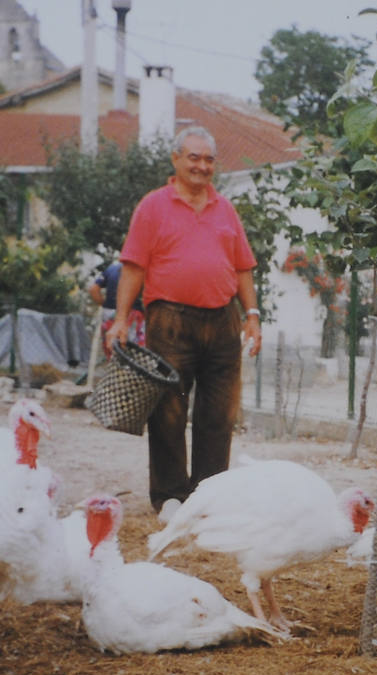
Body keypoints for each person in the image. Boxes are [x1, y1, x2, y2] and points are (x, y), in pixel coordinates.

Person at [105, 125, 262, 514]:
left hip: (223, 321)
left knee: (219, 413)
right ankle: (171, 496)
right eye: (194, 157)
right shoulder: (153, 206)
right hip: (170, 321)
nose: (202, 166)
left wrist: (253, 315)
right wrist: (121, 319)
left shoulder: (225, 208)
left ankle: (209, 498)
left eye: (209, 159)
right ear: (176, 159)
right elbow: (133, 266)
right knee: (169, 412)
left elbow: (243, 267)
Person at [88, 260, 144, 356]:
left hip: (109, 312)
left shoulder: (111, 268)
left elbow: (93, 289)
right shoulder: (139, 268)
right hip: (133, 311)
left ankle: (115, 367)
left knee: (112, 346)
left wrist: (104, 304)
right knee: (134, 349)